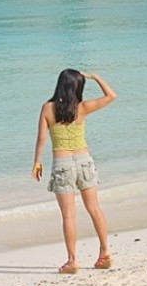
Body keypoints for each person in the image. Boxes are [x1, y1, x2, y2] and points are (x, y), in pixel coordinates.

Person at [32, 69, 117, 274]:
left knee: (68, 215)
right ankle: (104, 253)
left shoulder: (47, 108)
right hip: (84, 161)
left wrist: (37, 162)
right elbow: (111, 95)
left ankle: (72, 261)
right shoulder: (83, 108)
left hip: (62, 164)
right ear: (78, 87)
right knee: (94, 209)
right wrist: (95, 76)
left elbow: (42, 138)